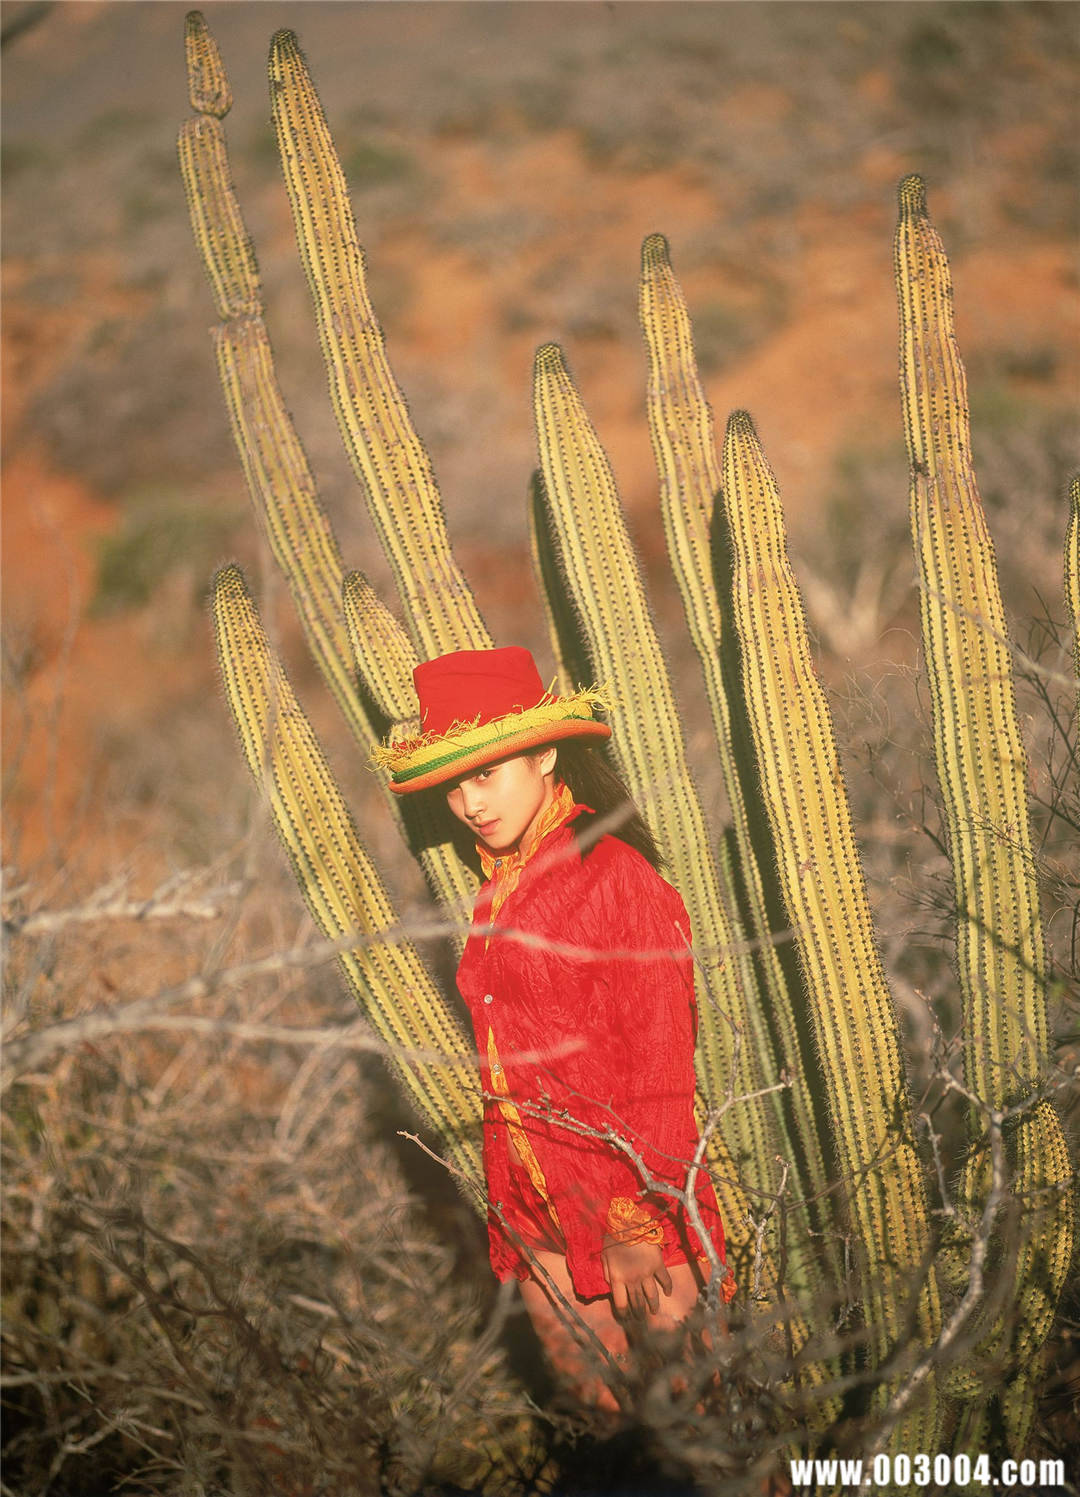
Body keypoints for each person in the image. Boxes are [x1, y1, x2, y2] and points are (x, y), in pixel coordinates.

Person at [375, 645, 735, 1412]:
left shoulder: (614, 876)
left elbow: (661, 1063)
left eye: (487, 774)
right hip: (542, 1220)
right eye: (456, 784)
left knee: (707, 1438)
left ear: (543, 753)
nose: (471, 802)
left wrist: (638, 1223)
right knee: (616, 1429)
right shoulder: (494, 894)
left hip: (634, 1219)